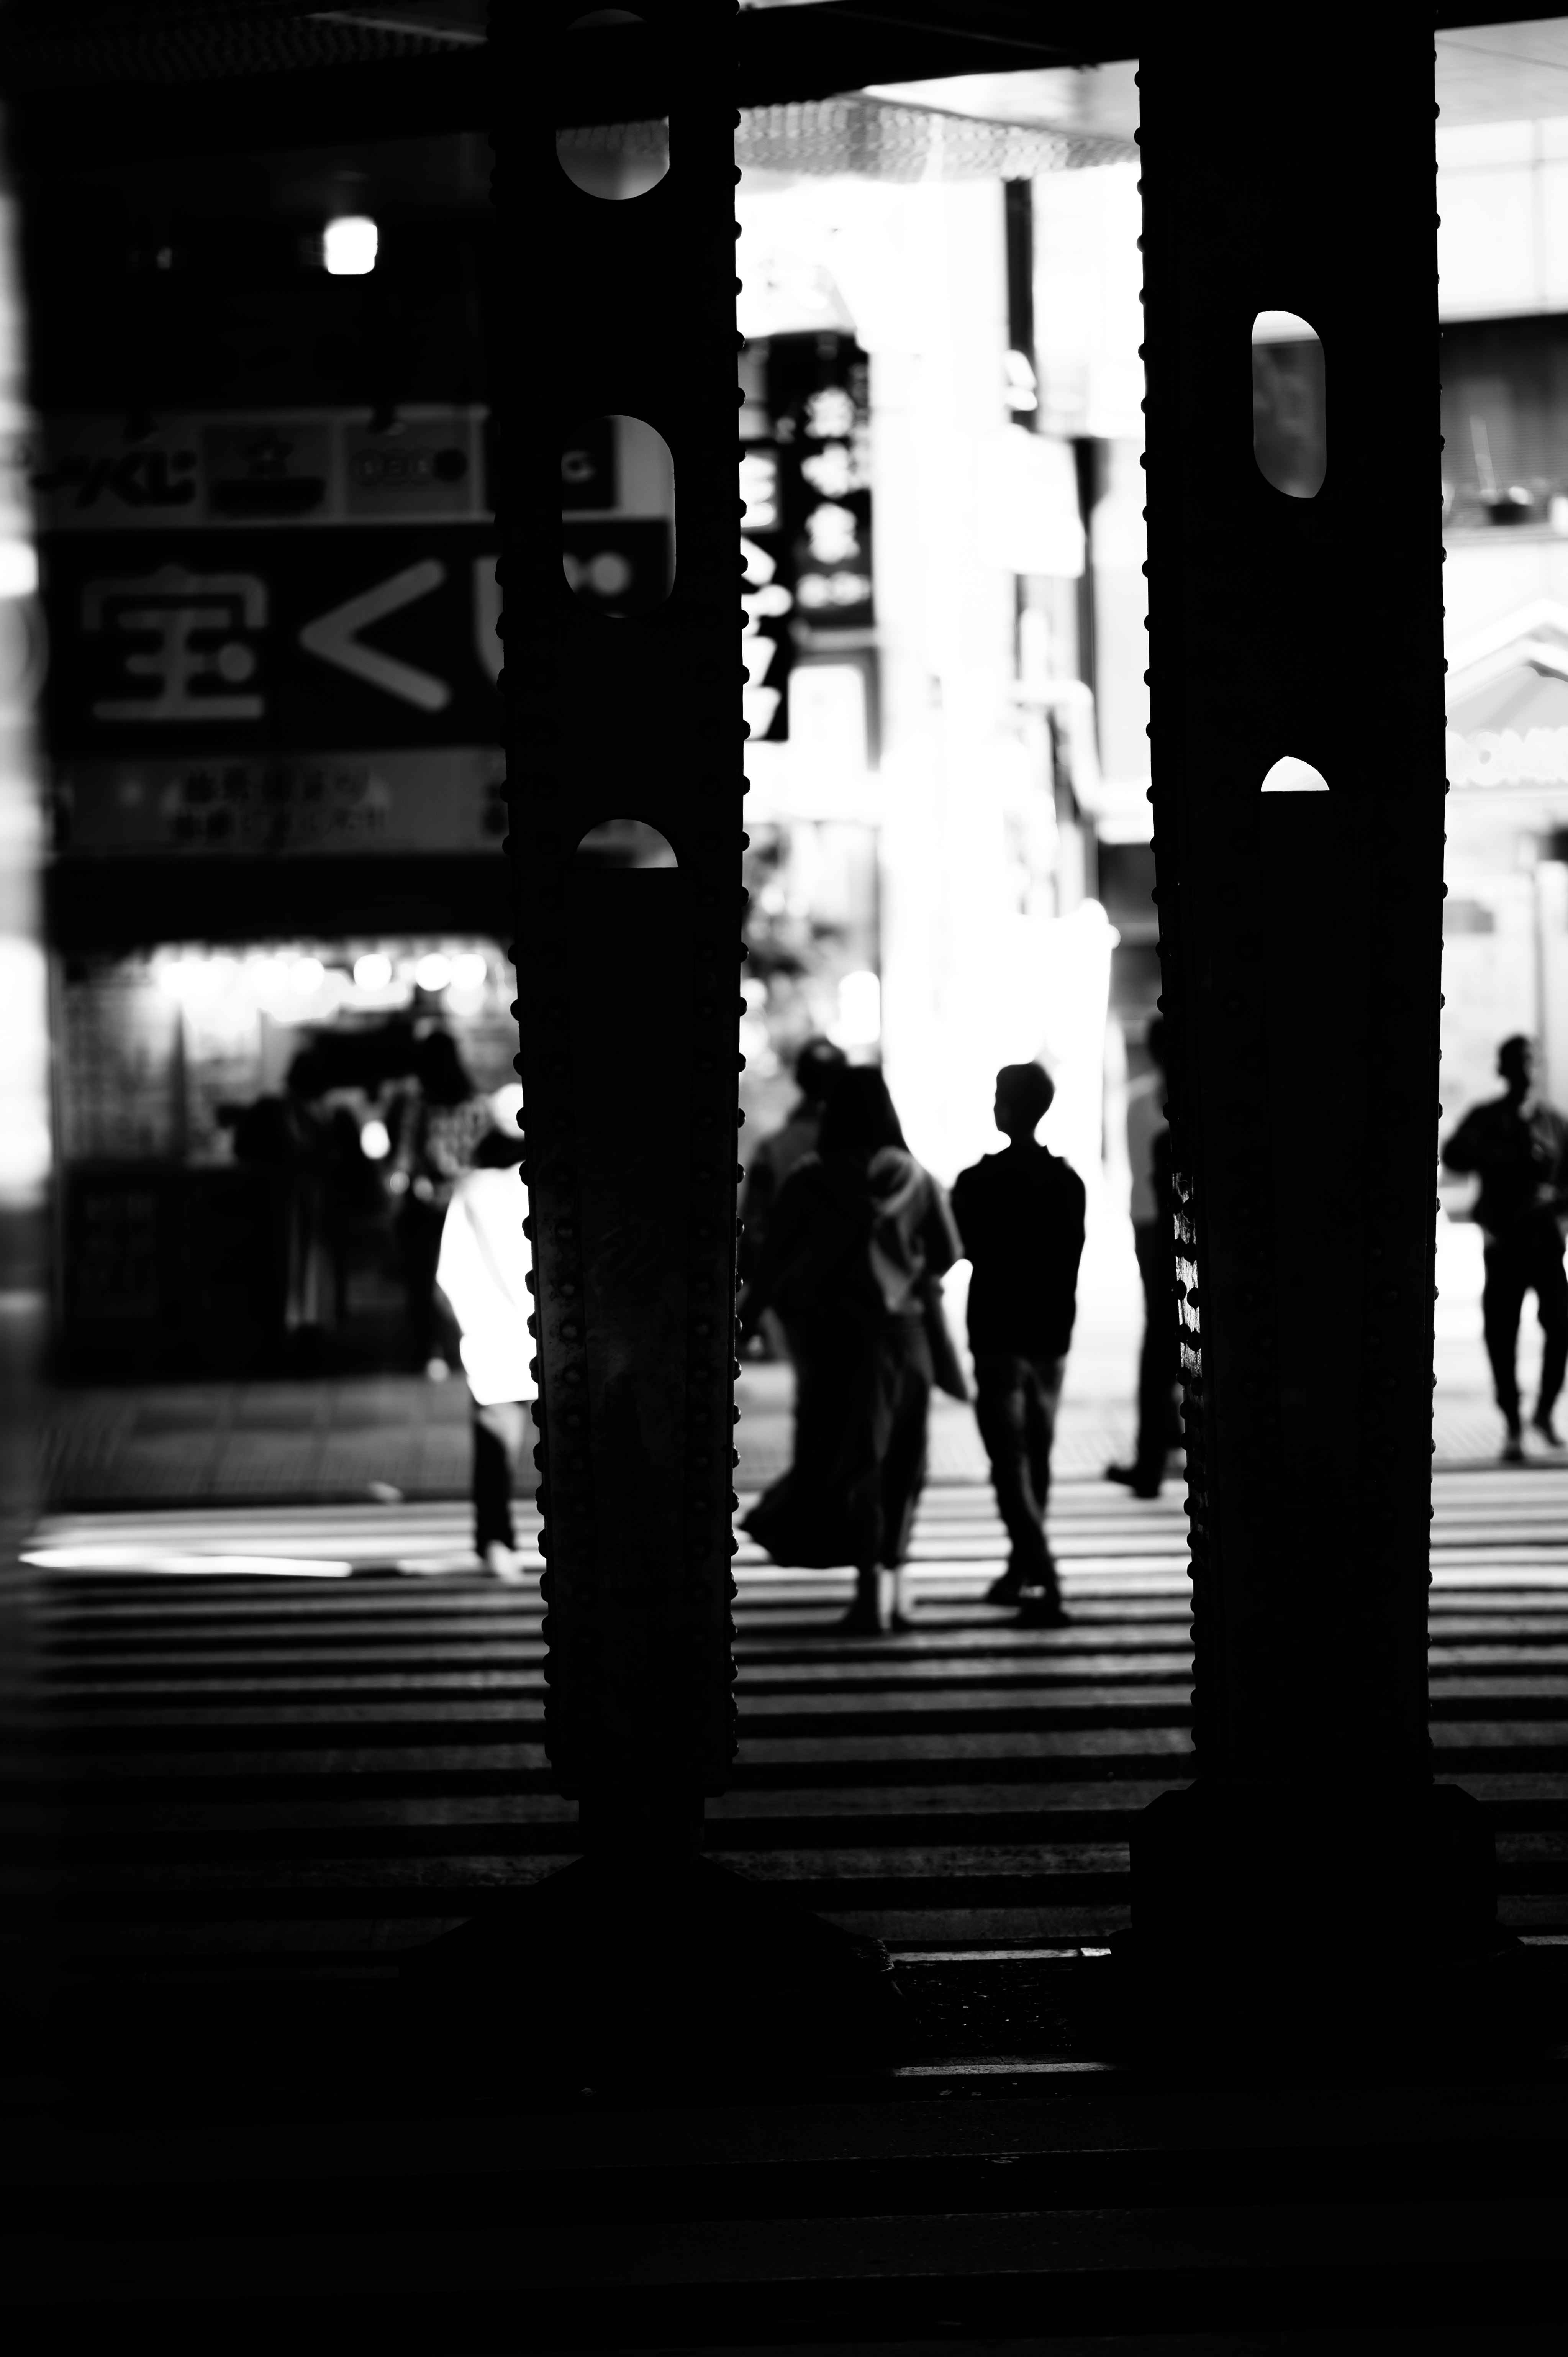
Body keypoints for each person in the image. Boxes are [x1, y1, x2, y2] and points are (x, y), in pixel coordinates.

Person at [739, 1064, 962, 1634]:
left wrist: (746, 1320)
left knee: (854, 1460)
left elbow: (770, 1263)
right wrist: (903, 1264)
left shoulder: (809, 1180)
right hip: (907, 1339)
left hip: (838, 1339)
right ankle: (897, 1587)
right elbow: (946, 1252)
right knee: (903, 1462)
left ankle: (867, 1595)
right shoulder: (914, 1177)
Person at [950, 1061, 1086, 1624]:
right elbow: (1071, 1259)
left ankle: (1042, 1573)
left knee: (1008, 1461)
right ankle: (1020, 1566)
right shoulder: (1068, 1183)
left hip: (997, 1332)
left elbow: (955, 1248)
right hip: (1050, 1335)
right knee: (1037, 1454)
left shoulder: (976, 1182)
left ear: (1005, 1107)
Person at [1442, 1034, 1568, 1462]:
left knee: (1560, 1326)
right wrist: (1497, 1155)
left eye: (1530, 1062)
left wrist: (1553, 1199)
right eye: (1516, 1062)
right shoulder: (1486, 1118)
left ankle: (1544, 1411)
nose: (1524, 1071)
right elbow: (1453, 1155)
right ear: (1502, 1069)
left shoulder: (1554, 1123)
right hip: (1504, 1243)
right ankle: (1513, 1421)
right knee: (1501, 1334)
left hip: (1545, 1243)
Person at [434, 1087, 534, 1581]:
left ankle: (495, 1541)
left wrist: (465, 1331)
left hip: (494, 1342)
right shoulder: (550, 1185)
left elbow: (448, 1272)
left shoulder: (471, 1189)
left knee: (496, 1449)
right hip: (557, 1340)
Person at [388, 1028, 493, 1378]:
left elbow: (404, 1159)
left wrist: (398, 1185)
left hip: (425, 1208)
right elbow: (487, 1155)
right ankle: (462, 1348)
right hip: (467, 1206)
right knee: (466, 1278)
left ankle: (430, 1351)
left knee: (424, 1282)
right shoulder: (477, 1105)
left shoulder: (419, 1106)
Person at [1106, 1016, 1182, 1498]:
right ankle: (1167, 1443)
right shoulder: (1197, 1104)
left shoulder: (1137, 1103)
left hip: (1150, 1224)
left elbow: (1137, 1170)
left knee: (1158, 1336)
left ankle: (1150, 1458)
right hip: (1175, 1224)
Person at [738, 1036, 847, 1361]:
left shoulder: (773, 1149)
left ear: (799, 1079)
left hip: (795, 1292)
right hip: (858, 1288)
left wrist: (754, 1295)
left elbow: (754, 1228)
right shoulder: (869, 1149)